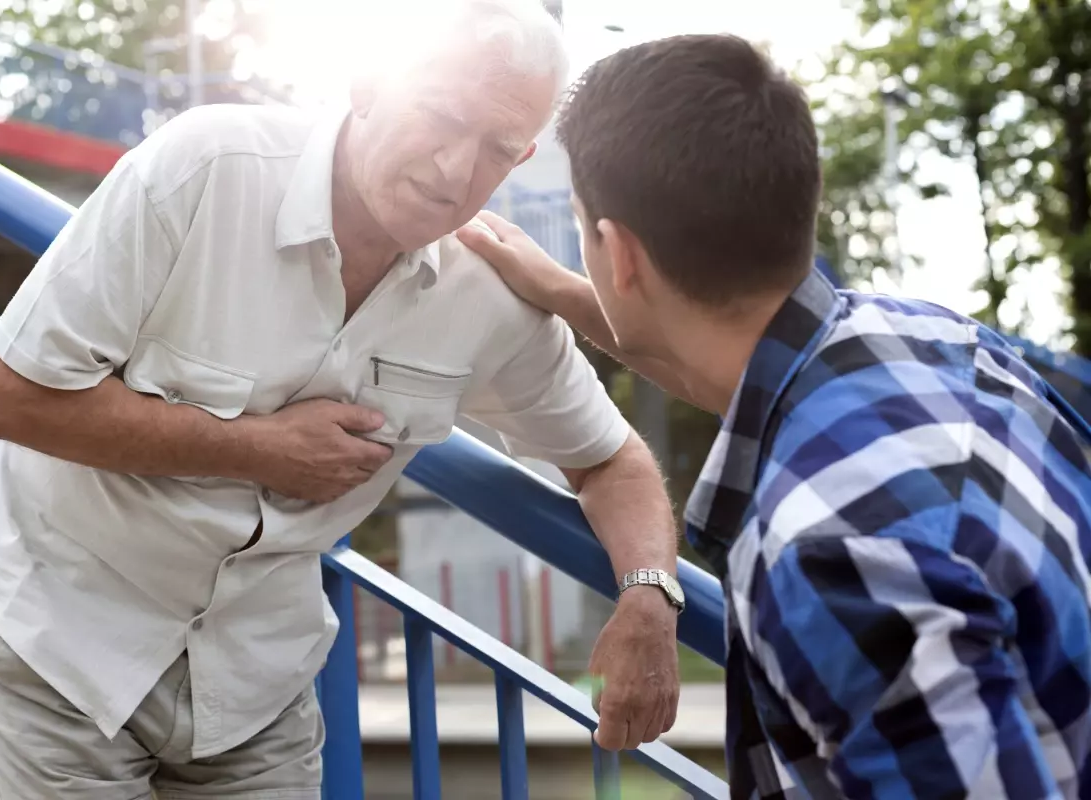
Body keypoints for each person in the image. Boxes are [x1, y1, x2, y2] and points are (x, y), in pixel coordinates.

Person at [0, 3, 688, 798]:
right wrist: (257, 447)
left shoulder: (493, 291)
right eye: (442, 117)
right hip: (61, 636)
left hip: (255, 684)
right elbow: (8, 398)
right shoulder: (204, 168)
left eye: (496, 150)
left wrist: (650, 598)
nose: (454, 170)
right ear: (370, 82)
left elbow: (612, 461)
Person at [459, 32, 1091, 800]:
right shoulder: (939, 339)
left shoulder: (830, 547)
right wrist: (566, 292)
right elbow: (743, 365)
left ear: (617, 253)